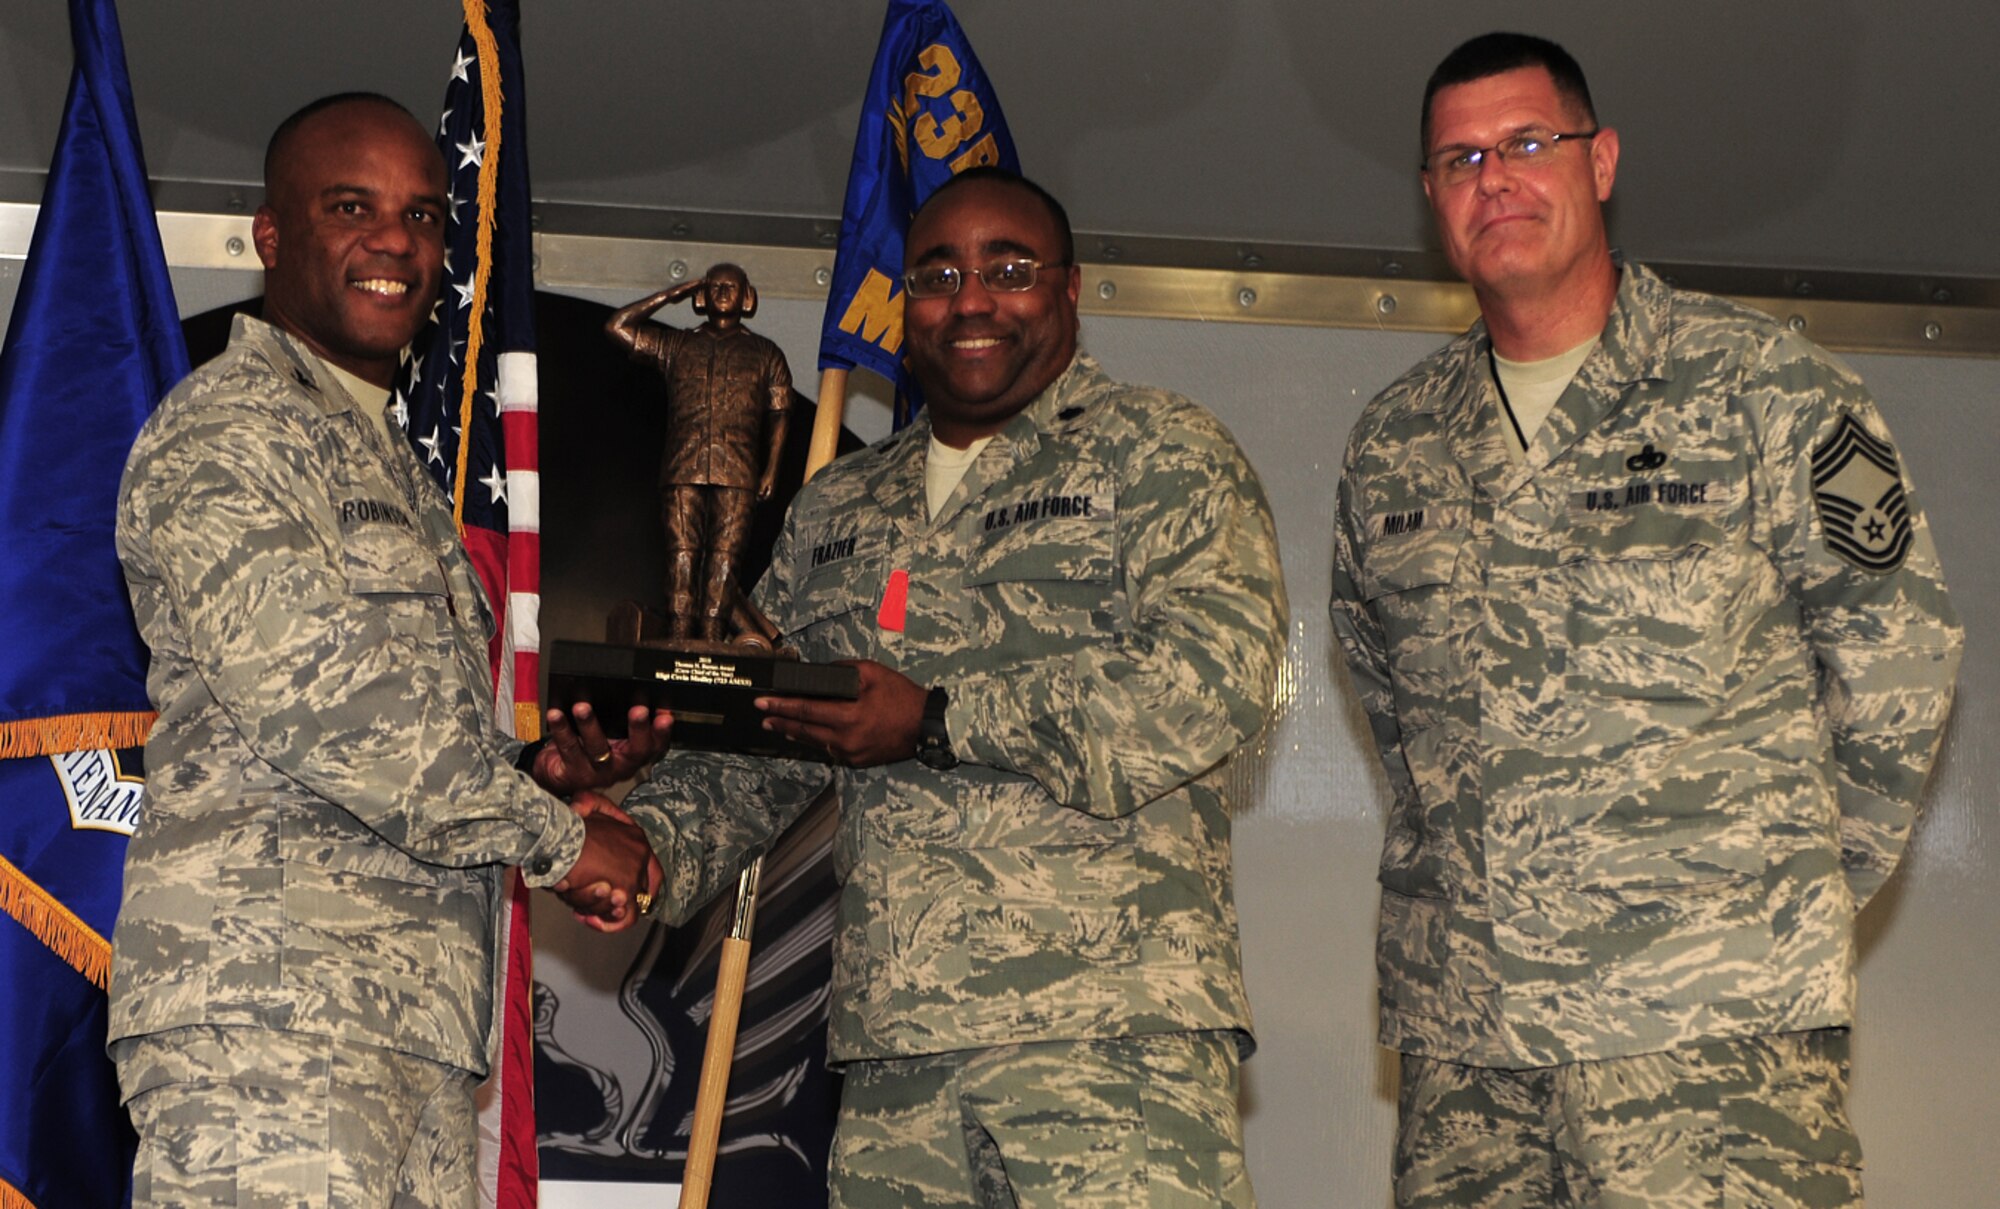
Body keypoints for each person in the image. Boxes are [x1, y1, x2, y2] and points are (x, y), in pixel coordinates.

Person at [1328, 33, 1964, 1208]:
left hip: (1707, 1032)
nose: (1493, 180)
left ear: (1600, 159)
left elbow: (1899, 663)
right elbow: (1388, 692)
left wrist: (1769, 894)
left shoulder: (1765, 385)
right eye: (1458, 159)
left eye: (1526, 143)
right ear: (1428, 197)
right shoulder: (1393, 442)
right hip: (1467, 1043)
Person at [620, 167, 1288, 1207]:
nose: (970, 299)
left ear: (1068, 290)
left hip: (1109, 1040)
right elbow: (767, 734)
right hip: (896, 1058)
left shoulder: (1161, 450)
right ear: (905, 304)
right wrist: (634, 845)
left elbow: (1209, 681)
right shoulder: (837, 501)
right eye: (936, 275)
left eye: (1008, 270)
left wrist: (936, 720)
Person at [108, 93, 666, 1207]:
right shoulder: (235, 427)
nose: (395, 241)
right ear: (273, 237)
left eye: (421, 215)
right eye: (350, 206)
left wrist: (536, 781)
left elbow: (401, 730)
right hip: (268, 1021)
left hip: (401, 1027)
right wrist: (558, 841)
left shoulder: (380, 460)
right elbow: (329, 709)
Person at [605, 263, 792, 641]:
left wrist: (771, 469)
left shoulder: (766, 353)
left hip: (739, 470)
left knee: (725, 558)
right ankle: (678, 634)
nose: (723, 292)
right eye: (715, 286)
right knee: (682, 553)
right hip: (682, 467)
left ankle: (711, 636)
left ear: (748, 296)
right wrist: (669, 295)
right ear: (701, 296)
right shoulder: (677, 344)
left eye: (732, 286)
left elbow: (780, 414)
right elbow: (617, 327)